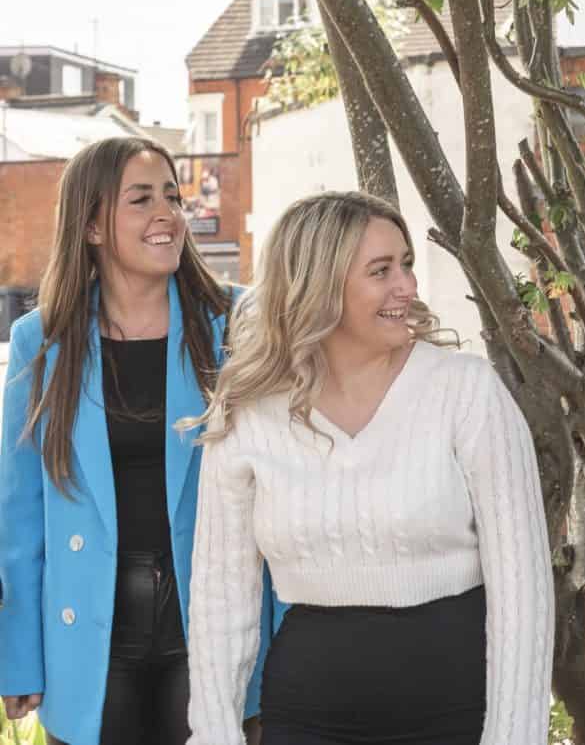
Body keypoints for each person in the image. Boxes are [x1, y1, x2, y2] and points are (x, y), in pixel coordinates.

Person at [183, 191, 554, 745]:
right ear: (319, 285)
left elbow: (523, 588)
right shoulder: (251, 411)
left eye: (405, 264)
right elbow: (220, 598)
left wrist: (513, 737)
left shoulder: (466, 390)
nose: (406, 285)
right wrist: (215, 734)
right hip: (307, 714)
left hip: (456, 712)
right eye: (381, 271)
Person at [0, 136, 271, 745]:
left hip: (214, 619)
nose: (168, 214)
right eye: (142, 199)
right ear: (92, 225)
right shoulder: (40, 341)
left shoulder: (237, 323)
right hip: (88, 629)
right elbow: (18, 512)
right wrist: (18, 653)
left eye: (172, 197)